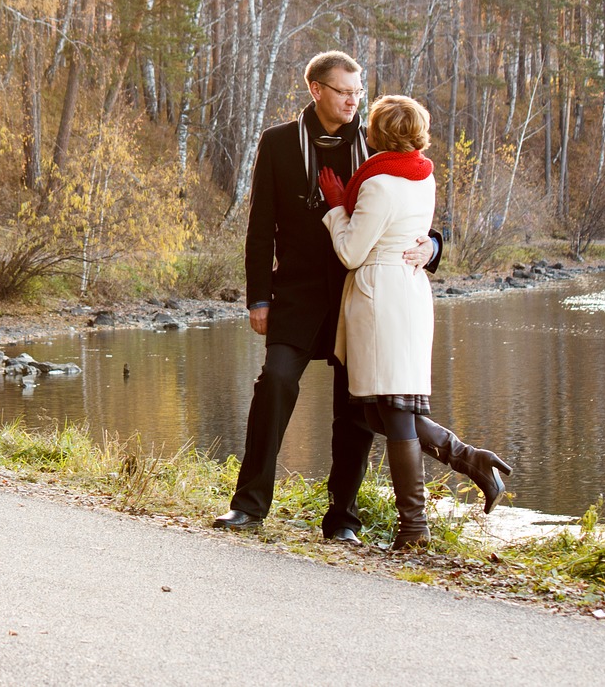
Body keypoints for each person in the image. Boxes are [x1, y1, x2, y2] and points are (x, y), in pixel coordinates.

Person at [213, 51, 502, 543]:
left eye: (357, 91)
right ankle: (249, 505)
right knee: (276, 384)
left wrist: (433, 246)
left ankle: (342, 519)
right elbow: (260, 229)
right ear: (316, 90)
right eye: (343, 91)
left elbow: (417, 215)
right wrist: (257, 298)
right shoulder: (279, 143)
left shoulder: (375, 146)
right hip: (298, 296)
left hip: (359, 298)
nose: (353, 99)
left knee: (354, 411)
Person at [318, 96, 511, 548]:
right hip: (406, 293)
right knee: (371, 410)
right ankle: (471, 460)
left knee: (394, 413)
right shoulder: (423, 176)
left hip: (381, 295)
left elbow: (350, 252)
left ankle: (414, 528)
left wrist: (336, 210)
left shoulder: (379, 183)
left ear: (376, 134)